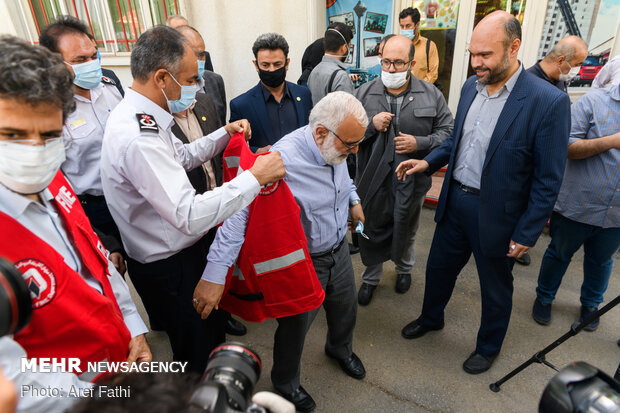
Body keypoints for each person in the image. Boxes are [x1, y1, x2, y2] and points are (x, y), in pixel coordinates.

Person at [99, 26, 285, 373]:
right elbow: (188, 214)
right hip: (172, 265)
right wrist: (255, 178)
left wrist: (222, 134)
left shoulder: (144, 116)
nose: (197, 87)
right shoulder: (139, 137)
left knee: (208, 335)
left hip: (176, 255)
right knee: (197, 352)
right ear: (162, 78)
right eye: (190, 79)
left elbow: (182, 157)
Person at [395, 11, 570, 374]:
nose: (476, 63)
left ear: (514, 47)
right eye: (472, 55)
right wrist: (427, 162)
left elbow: (548, 179)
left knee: (495, 287)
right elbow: (458, 141)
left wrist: (528, 232)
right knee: (439, 269)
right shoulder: (469, 87)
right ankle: (431, 318)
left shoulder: (547, 101)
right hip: (454, 201)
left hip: (499, 215)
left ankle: (488, 347)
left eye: (485, 55)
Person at [0, 35, 150, 412]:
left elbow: (96, 262)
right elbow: (12, 378)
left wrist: (133, 330)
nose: (35, 151)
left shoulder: (53, 181)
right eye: (14, 135)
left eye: (49, 135)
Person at [195, 92, 369, 412]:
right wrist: (214, 274)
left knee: (346, 309)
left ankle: (340, 349)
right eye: (350, 144)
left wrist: (354, 201)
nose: (354, 151)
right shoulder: (279, 160)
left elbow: (343, 173)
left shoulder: (335, 148)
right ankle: (285, 382)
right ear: (320, 133)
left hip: (338, 250)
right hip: (305, 264)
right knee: (295, 327)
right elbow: (238, 217)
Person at [354, 35, 453, 305]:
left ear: (411, 62)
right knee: (370, 226)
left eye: (398, 63)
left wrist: (419, 142)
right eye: (386, 62)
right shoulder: (363, 93)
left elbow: (448, 132)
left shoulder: (431, 94)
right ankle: (370, 277)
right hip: (373, 179)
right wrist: (371, 125)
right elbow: (345, 135)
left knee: (407, 227)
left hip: (412, 178)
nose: (391, 69)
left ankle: (403, 270)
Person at [173, 25, 247, 337]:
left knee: (221, 262)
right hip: (187, 214)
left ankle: (223, 311)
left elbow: (214, 147)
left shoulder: (203, 97)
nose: (200, 63)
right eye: (193, 55)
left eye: (202, 54)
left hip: (217, 200)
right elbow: (184, 158)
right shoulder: (155, 117)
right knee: (193, 279)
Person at [39, 16, 126, 273]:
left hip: (131, 196)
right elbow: (55, 184)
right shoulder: (49, 108)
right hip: (94, 210)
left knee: (154, 281)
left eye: (93, 55)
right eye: (79, 60)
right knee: (111, 281)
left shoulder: (109, 82)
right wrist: (101, 238)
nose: (91, 64)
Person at [532, 84, 620, 330]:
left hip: (616, 214)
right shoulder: (593, 102)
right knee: (559, 253)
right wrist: (611, 141)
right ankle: (544, 297)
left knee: (602, 261)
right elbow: (566, 148)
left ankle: (591, 305)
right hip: (578, 204)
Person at [518, 35, 589, 267]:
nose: (577, 71)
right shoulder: (527, 82)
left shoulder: (559, 80)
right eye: (577, 64)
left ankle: (524, 236)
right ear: (561, 60)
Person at [230, 33, 312, 153]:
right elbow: (234, 148)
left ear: (287, 63)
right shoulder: (241, 105)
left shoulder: (304, 95)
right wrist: (257, 151)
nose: (272, 70)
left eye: (277, 64)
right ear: (256, 65)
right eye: (265, 65)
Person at [175, 25, 227, 126]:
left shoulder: (215, 81)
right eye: (193, 54)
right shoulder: (171, 87)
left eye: (202, 54)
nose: (198, 60)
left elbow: (221, 123)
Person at [307, 23, 355, 105]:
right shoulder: (341, 77)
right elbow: (347, 114)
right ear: (344, 48)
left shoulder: (314, 71)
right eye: (349, 46)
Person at [399, 7, 439, 84]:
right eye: (402, 26)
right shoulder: (397, 45)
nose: (404, 30)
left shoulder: (429, 46)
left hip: (421, 92)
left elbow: (433, 74)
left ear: (417, 25)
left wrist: (418, 89)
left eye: (408, 26)